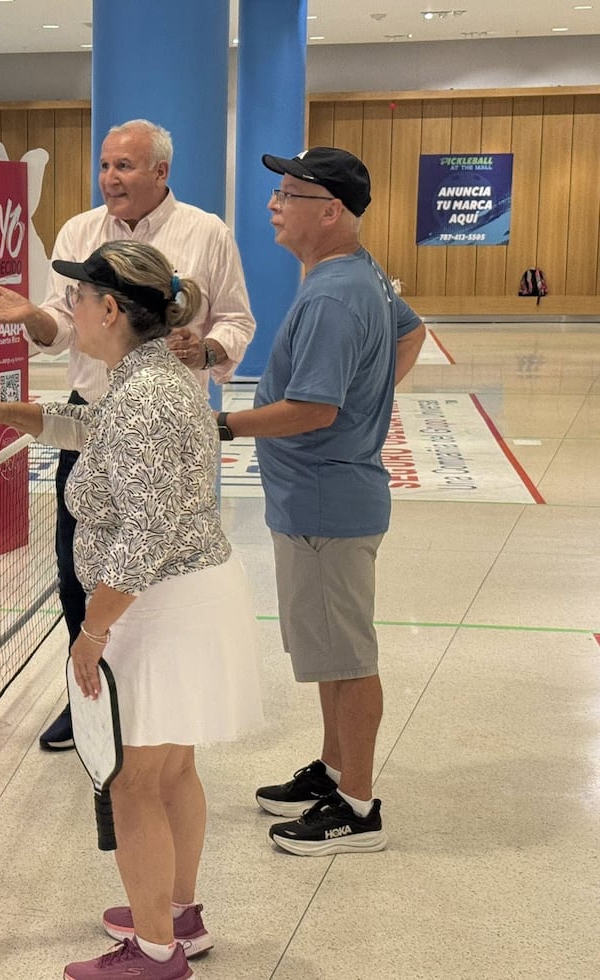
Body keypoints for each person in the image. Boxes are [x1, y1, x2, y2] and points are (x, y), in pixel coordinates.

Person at [0, 240, 261, 980]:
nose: (72, 310)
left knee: (131, 781)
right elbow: (95, 428)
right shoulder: (151, 376)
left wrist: (92, 632)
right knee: (173, 771)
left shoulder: (148, 392)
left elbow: (147, 532)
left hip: (157, 610)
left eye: (78, 299)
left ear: (111, 309)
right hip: (183, 599)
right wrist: (17, 414)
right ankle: (177, 917)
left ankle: (154, 952)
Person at [0, 118, 255, 751]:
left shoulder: (206, 233)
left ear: (160, 173)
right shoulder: (80, 229)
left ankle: (121, 673)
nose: (110, 178)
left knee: (147, 551)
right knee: (78, 560)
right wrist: (35, 325)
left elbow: (236, 320)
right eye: (104, 165)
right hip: (100, 407)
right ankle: (89, 689)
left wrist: (203, 349)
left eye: (124, 166)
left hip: (153, 419)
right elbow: (66, 333)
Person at [214, 147, 426, 856]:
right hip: (323, 496)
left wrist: (223, 423)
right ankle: (336, 770)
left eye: (288, 195)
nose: (273, 205)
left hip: (326, 500)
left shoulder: (336, 294)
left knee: (347, 654)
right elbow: (410, 331)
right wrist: (373, 395)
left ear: (329, 211)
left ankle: (358, 808)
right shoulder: (356, 273)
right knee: (328, 651)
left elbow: (310, 409)